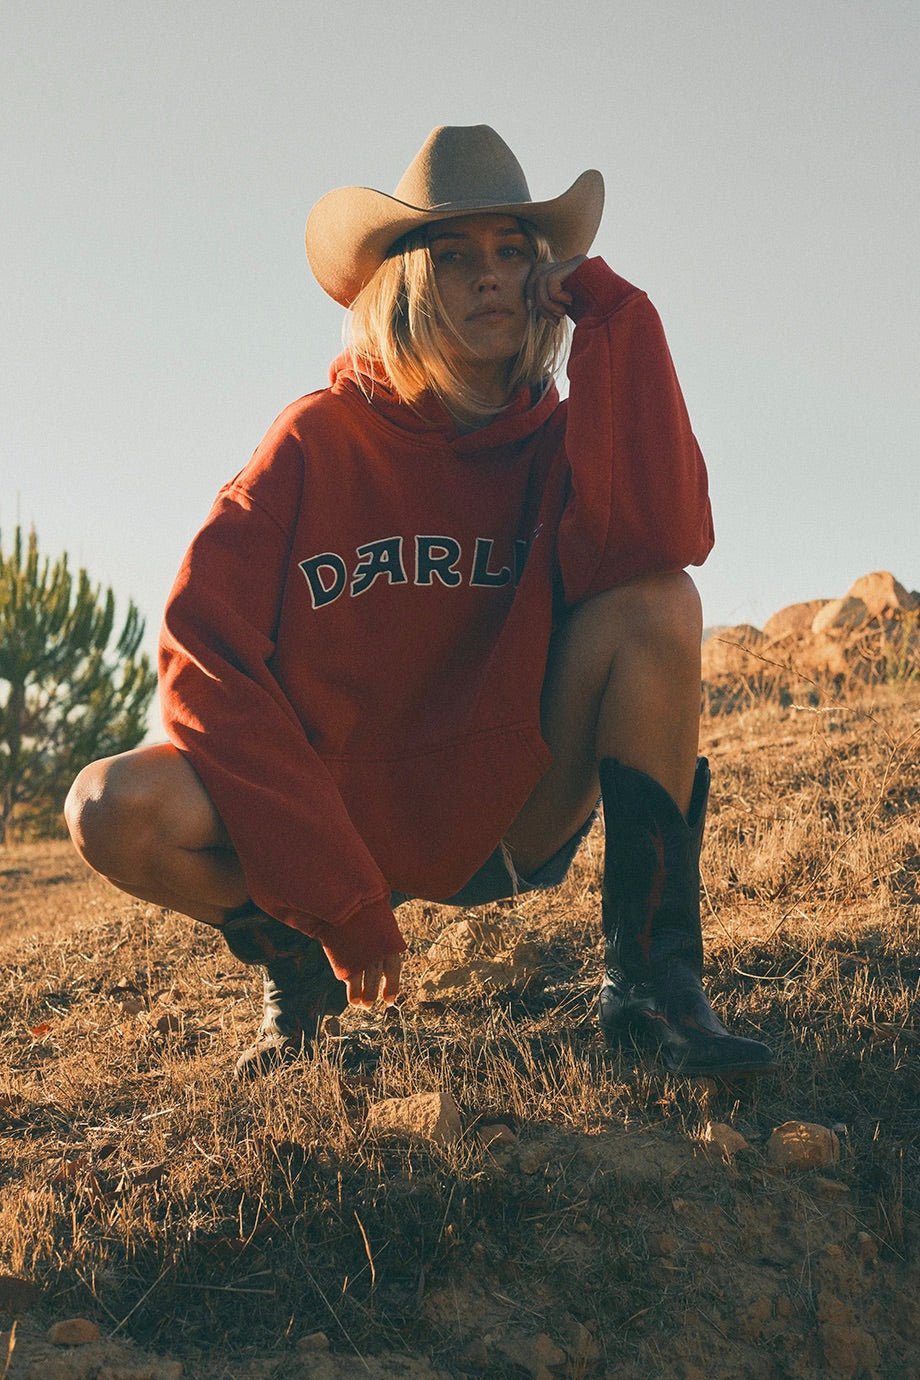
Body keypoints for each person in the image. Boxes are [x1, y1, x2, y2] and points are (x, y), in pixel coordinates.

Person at [65, 125, 774, 1080]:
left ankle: (653, 995)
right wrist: (338, 899)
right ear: (404, 284)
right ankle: (298, 968)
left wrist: (615, 317)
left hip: (506, 814)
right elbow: (203, 655)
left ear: (541, 279)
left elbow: (663, 540)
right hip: (331, 823)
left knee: (658, 603)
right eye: (454, 257)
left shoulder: (562, 441)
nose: (489, 277)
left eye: (512, 252)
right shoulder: (313, 440)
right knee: (110, 804)